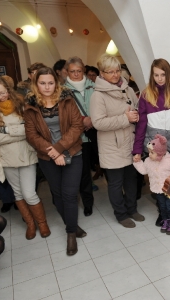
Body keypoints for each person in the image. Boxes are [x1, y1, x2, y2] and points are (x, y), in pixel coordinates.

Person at [24, 67, 85, 256]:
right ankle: (72, 225)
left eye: (50, 82)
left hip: (73, 153)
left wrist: (59, 148)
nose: (47, 86)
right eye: (42, 83)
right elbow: (31, 135)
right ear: (36, 84)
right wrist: (54, 153)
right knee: (57, 194)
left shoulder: (67, 99)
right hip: (47, 157)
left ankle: (70, 234)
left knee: (69, 194)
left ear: (56, 83)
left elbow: (77, 126)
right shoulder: (30, 104)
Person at [0, 75, 51, 240]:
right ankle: (30, 224)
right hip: (7, 159)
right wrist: (19, 131)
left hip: (26, 155)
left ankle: (42, 223)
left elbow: (29, 131)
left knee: (29, 193)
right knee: (18, 193)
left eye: (3, 92)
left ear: (8, 90)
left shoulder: (21, 105)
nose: (1, 97)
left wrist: (7, 130)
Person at [133, 58, 170, 225]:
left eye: (163, 74)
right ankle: (163, 213)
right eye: (156, 75)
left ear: (168, 74)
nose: (159, 78)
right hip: (155, 145)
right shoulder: (145, 95)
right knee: (157, 182)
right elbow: (141, 124)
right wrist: (137, 149)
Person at [90, 54, 144, 228]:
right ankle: (121, 215)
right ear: (102, 73)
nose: (115, 75)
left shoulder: (127, 88)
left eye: (117, 71)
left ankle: (132, 209)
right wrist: (125, 118)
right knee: (115, 183)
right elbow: (97, 123)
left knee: (131, 180)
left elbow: (135, 107)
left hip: (130, 142)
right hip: (112, 146)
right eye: (110, 72)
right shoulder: (98, 95)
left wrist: (137, 114)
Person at [133, 134, 170, 235]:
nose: (149, 154)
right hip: (157, 189)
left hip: (169, 189)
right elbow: (143, 170)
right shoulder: (148, 161)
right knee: (162, 206)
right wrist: (137, 162)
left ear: (160, 153)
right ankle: (165, 219)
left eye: (152, 152)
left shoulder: (169, 160)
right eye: (149, 152)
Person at [64, 56, 95, 217]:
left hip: (97, 132)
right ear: (67, 72)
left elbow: (101, 106)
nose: (76, 74)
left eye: (79, 71)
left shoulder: (93, 86)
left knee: (106, 166)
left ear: (83, 70)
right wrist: (83, 121)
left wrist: (93, 119)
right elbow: (64, 116)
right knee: (83, 173)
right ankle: (88, 203)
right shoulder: (63, 91)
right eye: (72, 71)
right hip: (79, 137)